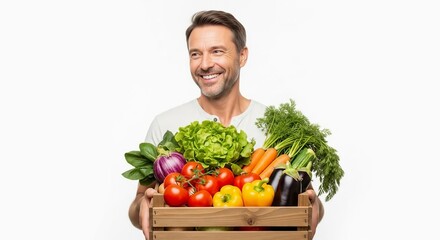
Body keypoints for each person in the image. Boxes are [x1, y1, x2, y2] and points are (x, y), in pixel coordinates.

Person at [128, 10, 324, 239]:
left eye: (217, 52)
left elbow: (306, 198)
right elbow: (136, 207)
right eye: (195, 54)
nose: (205, 64)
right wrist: (143, 204)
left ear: (242, 56)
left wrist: (316, 208)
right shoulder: (166, 125)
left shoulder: (276, 126)